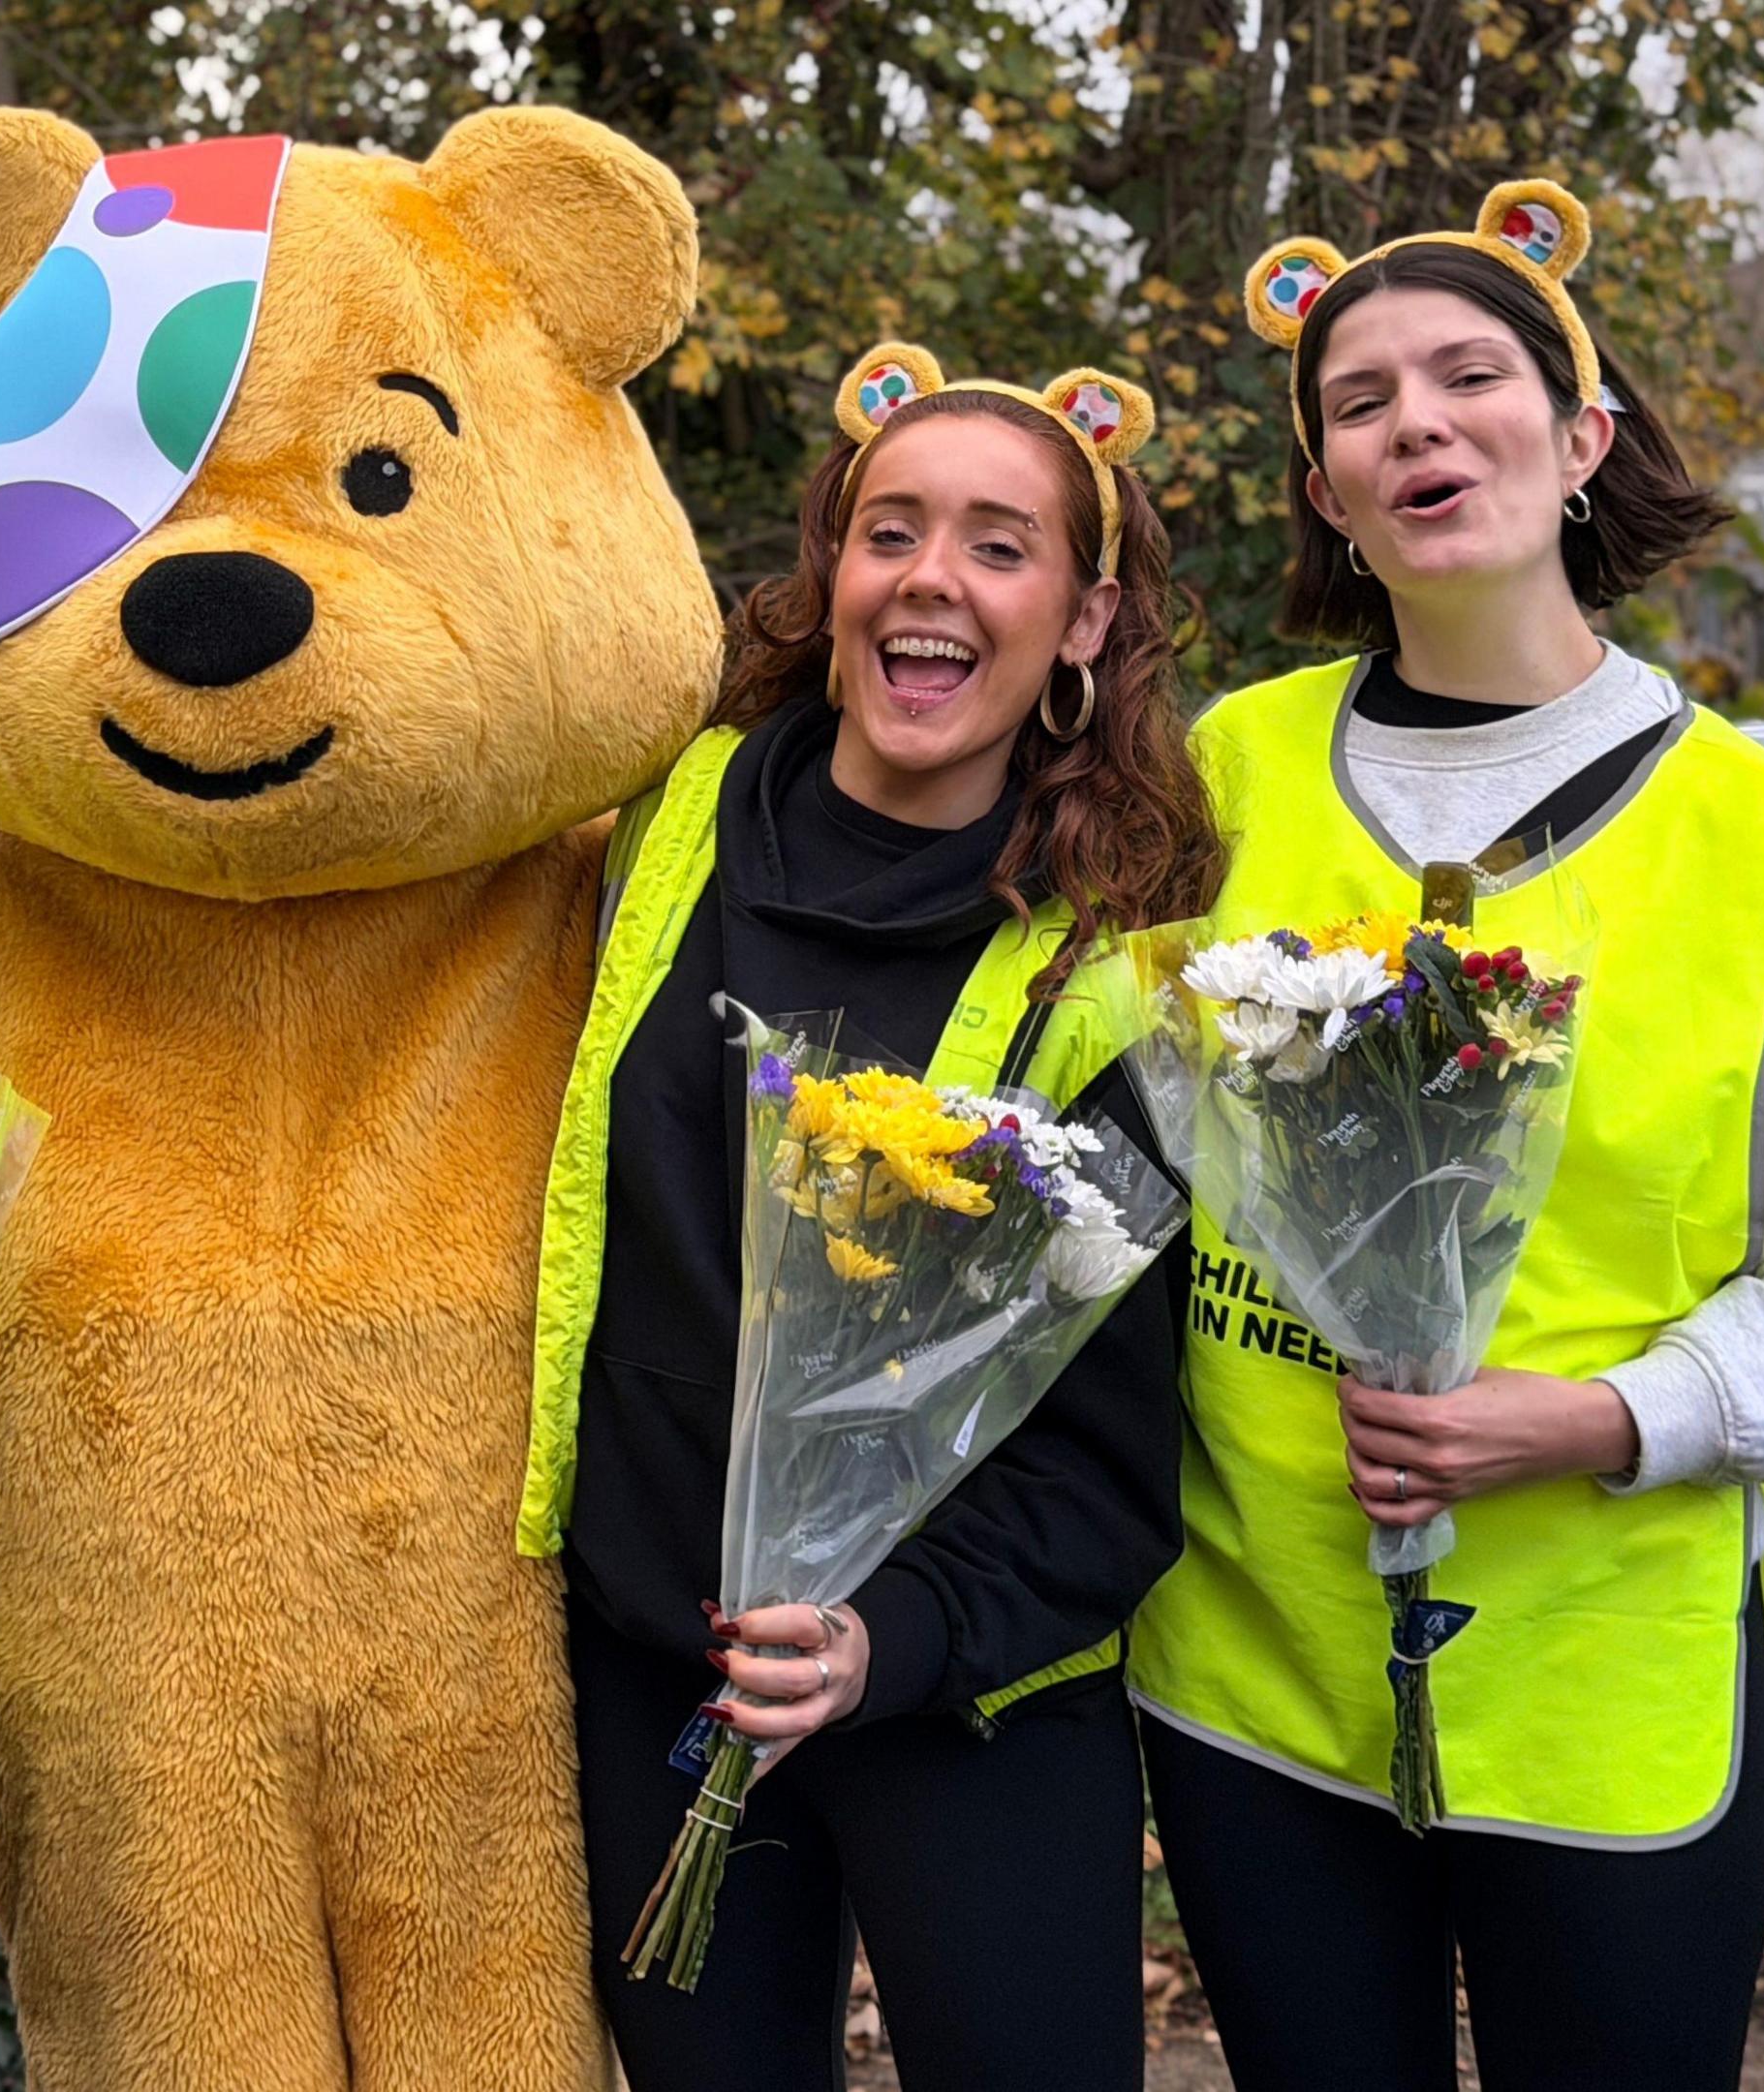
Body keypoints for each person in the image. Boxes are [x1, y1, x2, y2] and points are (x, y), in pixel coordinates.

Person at [1124, 181, 1764, 2092]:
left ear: (1582, 440)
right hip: (1258, 1669)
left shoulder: (1759, 847)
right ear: (1326, 496)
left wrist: (1598, 1419)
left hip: (1608, 1679)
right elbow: (1120, 1137)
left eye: (1469, 375)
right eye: (1360, 401)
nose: (1415, 420)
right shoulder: (1225, 772)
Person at [521, 345, 1219, 2091]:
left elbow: (1114, 1456)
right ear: (831, 571)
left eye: (999, 545)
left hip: (967, 1693)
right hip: (656, 1661)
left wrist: (879, 1642)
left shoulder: (1112, 963)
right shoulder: (657, 819)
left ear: (1083, 619)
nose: (930, 577)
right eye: (889, 530)